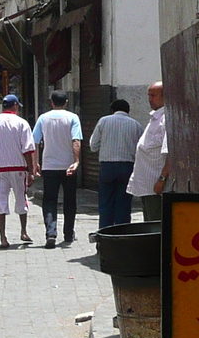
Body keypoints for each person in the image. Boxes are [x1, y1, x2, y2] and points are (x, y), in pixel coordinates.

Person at [0, 94, 37, 248]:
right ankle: (23, 231)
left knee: (0, 201)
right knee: (21, 199)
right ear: (15, 106)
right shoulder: (22, 123)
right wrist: (31, 170)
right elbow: (28, 149)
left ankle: (3, 237)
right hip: (18, 168)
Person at [33, 90, 84, 248]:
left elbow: (34, 142)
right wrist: (76, 162)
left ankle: (51, 233)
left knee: (49, 200)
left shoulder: (43, 118)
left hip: (49, 166)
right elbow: (76, 140)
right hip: (68, 165)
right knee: (70, 200)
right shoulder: (73, 118)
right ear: (66, 102)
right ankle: (68, 233)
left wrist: (35, 163)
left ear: (51, 102)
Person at [88, 98, 141, 229]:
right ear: (128, 111)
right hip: (127, 167)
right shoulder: (136, 125)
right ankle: (122, 236)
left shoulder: (103, 121)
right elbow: (140, 149)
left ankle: (105, 236)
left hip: (107, 167)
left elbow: (93, 145)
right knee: (124, 203)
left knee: (106, 203)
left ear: (112, 110)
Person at [127, 81, 169, 222]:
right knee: (149, 222)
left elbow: (171, 154)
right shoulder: (155, 118)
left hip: (156, 186)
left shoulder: (166, 120)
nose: (150, 99)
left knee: (155, 225)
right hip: (146, 186)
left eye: (153, 95)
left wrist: (161, 180)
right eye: (149, 95)